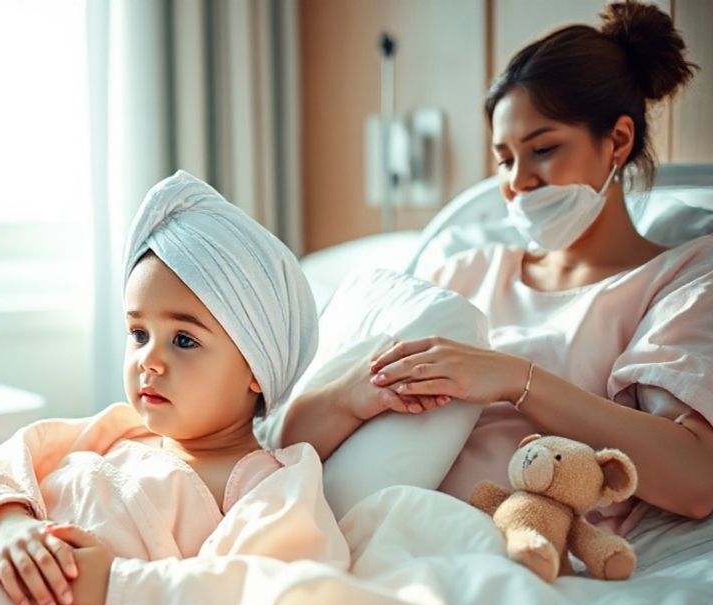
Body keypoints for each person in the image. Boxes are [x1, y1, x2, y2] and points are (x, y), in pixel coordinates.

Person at [284, 1, 713, 534]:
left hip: (521, 547)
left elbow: (696, 480)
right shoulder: (462, 272)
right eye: (505, 159)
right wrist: (352, 393)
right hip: (378, 527)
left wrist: (516, 380)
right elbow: (285, 438)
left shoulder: (679, 282)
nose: (518, 182)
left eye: (544, 149)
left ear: (618, 141)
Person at [0, 170, 401, 605]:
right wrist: (5, 526)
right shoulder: (110, 432)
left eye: (183, 340)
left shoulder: (265, 485)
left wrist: (114, 586)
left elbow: (267, 599)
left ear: (255, 367)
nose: (148, 360)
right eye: (138, 332)